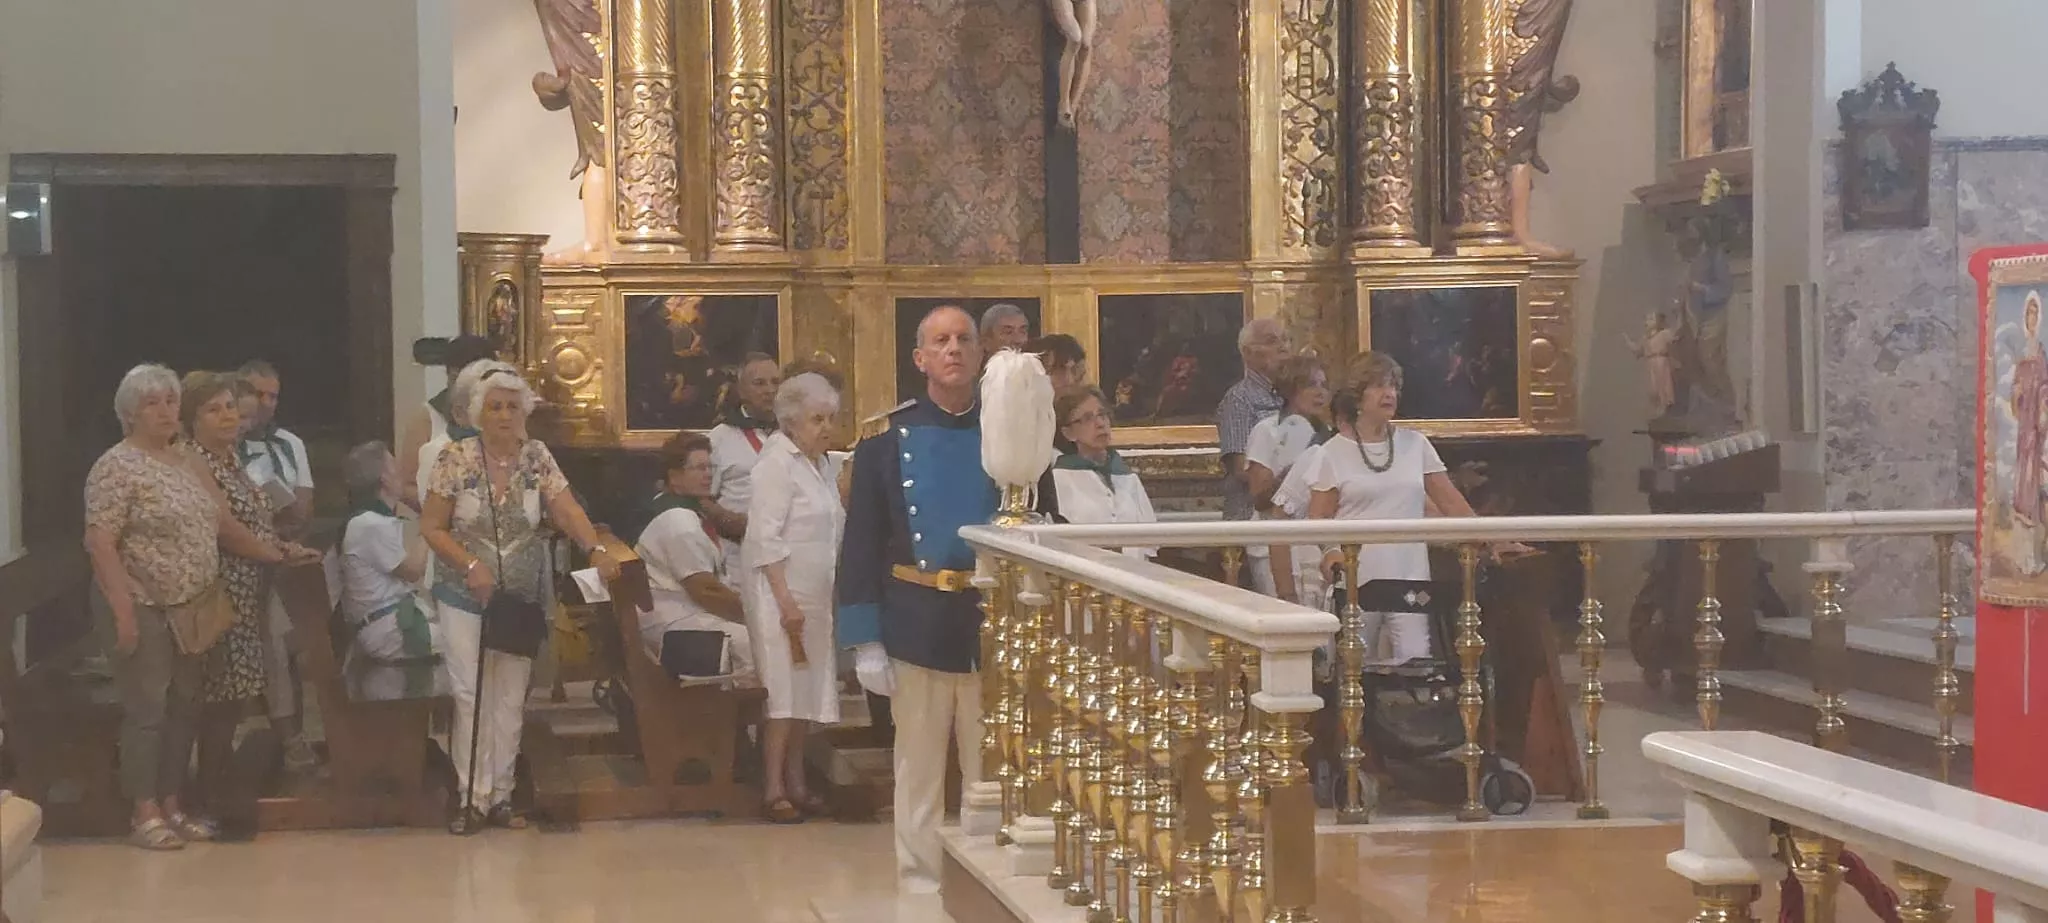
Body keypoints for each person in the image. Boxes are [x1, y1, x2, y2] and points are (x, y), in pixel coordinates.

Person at [838, 304, 998, 893]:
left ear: (979, 354)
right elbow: (860, 543)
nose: (954, 349)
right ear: (920, 358)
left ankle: (992, 878)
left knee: (993, 769)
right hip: (916, 617)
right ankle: (920, 879)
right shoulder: (884, 442)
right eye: (941, 341)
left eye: (964, 339)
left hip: (991, 620)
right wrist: (864, 639)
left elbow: (1041, 525)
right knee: (919, 767)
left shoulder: (1011, 434)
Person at [421, 360, 620, 834]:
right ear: (477, 413)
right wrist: (470, 566)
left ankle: (503, 795)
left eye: (513, 406)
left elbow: (566, 507)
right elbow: (432, 526)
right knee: (470, 691)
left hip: (522, 596)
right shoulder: (455, 458)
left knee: (510, 694)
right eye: (494, 407)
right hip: (463, 593)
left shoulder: (537, 457)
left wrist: (593, 547)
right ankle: (471, 796)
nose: (504, 415)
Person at [1304, 352, 1524, 663]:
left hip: (1411, 576)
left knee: (1417, 659)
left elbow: (1453, 505)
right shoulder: (1332, 453)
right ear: (1357, 396)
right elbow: (1318, 517)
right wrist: (1331, 553)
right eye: (1379, 386)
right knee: (1356, 665)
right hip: (1358, 578)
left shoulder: (1415, 445)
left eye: (1393, 386)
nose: (1389, 393)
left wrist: (1494, 539)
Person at [83, 365, 217, 850]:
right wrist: (122, 612)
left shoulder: (182, 459)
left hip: (191, 606)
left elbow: (212, 517)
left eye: (170, 400)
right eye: (152, 403)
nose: (165, 410)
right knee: (148, 710)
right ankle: (143, 811)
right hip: (142, 602)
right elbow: (100, 542)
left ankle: (172, 801)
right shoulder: (116, 466)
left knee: (185, 706)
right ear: (129, 413)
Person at [178, 371, 317, 830]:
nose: (227, 417)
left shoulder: (232, 458)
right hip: (219, 590)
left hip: (248, 588)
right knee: (219, 699)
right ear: (192, 418)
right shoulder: (195, 460)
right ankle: (204, 797)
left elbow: (258, 519)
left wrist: (283, 546)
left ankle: (217, 790)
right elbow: (225, 527)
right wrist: (273, 552)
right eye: (213, 409)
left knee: (234, 697)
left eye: (230, 408)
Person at [743, 373, 846, 822]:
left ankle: (799, 780)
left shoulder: (819, 465)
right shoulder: (775, 465)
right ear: (790, 422)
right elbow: (764, 539)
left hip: (815, 593)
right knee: (783, 693)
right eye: (816, 419)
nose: (826, 427)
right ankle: (772, 787)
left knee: (807, 689)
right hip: (779, 593)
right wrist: (784, 601)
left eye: (830, 418)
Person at [235, 360, 317, 769]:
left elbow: (301, 510)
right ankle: (284, 740)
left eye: (273, 396)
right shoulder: (222, 443)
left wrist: (273, 516)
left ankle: (294, 737)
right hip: (235, 565)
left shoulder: (289, 443)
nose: (266, 404)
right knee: (267, 653)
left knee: (287, 649)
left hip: (280, 560)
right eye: (256, 394)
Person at [634, 433, 750, 674]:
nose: (708, 475)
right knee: (756, 644)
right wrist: (752, 617)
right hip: (674, 626)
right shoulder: (677, 520)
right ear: (674, 476)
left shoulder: (686, 511)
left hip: (684, 616)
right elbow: (705, 590)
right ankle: (743, 711)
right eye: (699, 468)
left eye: (710, 467)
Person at [336, 442, 439, 668]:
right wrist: (430, 526)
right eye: (394, 466)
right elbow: (413, 571)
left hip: (391, 621)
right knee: (469, 642)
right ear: (383, 479)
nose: (401, 471)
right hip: (387, 631)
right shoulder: (367, 524)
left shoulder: (373, 521)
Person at [1244, 354, 1331, 597]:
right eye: (1311, 385)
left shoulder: (1329, 435)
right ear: (1290, 389)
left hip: (1315, 545)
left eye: (1324, 386)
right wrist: (1295, 468)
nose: (1320, 393)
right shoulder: (1267, 430)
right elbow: (1260, 498)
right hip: (1272, 542)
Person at [1040, 386, 1157, 559]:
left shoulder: (1125, 475)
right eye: (1087, 419)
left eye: (1102, 415)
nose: (1100, 424)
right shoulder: (1059, 479)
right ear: (1068, 433)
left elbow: (1150, 541)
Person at [399, 335, 499, 511]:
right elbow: (406, 486)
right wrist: (448, 508)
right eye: (454, 379)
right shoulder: (427, 417)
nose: (460, 389)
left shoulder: (505, 417)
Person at [703, 353, 782, 566]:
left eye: (776, 382)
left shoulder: (795, 434)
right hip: (737, 558)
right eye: (759, 383)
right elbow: (701, 499)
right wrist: (733, 522)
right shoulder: (719, 437)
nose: (770, 390)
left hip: (788, 555)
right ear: (741, 390)